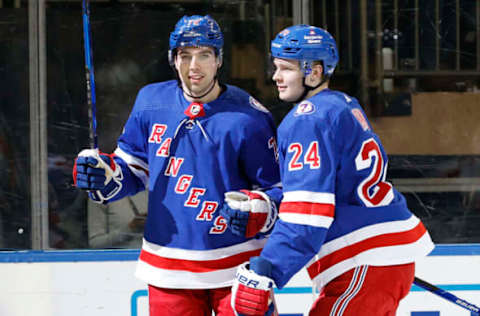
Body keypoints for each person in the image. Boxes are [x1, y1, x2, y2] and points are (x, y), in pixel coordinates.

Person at [73, 15, 281, 316]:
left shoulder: (249, 117)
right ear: (173, 59)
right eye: (185, 55)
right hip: (167, 267)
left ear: (219, 60)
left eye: (204, 55)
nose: (193, 66)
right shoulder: (150, 101)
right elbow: (134, 167)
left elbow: (278, 189)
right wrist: (107, 176)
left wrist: (262, 209)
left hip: (238, 268)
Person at [223, 25, 435, 316]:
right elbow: (325, 185)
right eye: (276, 67)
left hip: (362, 257)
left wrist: (267, 268)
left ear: (314, 72)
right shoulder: (343, 105)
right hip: (380, 256)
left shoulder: (307, 120)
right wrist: (271, 204)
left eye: (286, 68)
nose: (276, 77)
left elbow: (308, 213)